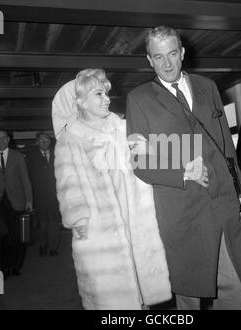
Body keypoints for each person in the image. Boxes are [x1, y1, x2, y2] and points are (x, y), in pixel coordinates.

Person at [126, 26, 241, 310]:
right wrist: (183, 172)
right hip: (181, 213)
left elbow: (226, 147)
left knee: (238, 289)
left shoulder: (207, 87)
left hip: (223, 201)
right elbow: (139, 161)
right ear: (149, 60)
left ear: (182, 53)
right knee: (189, 296)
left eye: (172, 54)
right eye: (158, 57)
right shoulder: (139, 98)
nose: (167, 63)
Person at [51, 68, 171, 310]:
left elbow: (156, 157)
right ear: (80, 101)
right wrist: (78, 219)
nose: (107, 98)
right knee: (112, 298)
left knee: (142, 290)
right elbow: (68, 183)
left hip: (135, 218)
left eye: (107, 93)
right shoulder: (70, 140)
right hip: (99, 228)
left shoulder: (124, 127)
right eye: (99, 93)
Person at [0, 130, 33, 278]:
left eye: (4, 137)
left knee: (17, 237)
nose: (1, 140)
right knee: (2, 237)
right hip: (0, 203)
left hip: (17, 202)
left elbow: (25, 180)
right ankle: (5, 267)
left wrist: (29, 200)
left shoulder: (18, 157)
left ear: (8, 140)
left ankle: (16, 265)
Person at [27, 132, 61, 257]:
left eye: (46, 139)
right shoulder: (31, 157)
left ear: (50, 141)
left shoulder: (58, 155)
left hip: (56, 195)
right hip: (39, 196)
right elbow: (28, 178)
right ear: (37, 143)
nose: (44, 142)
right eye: (41, 140)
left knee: (54, 222)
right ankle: (43, 245)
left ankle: (53, 247)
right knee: (42, 223)